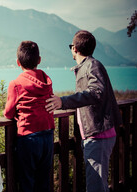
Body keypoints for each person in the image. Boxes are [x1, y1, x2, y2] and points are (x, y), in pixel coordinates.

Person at [45, 30, 122, 192]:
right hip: (95, 134)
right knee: (97, 185)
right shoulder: (88, 66)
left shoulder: (92, 66)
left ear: (74, 48)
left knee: (96, 187)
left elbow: (96, 93)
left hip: (98, 135)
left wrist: (63, 101)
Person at [4, 41, 55, 192]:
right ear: (39, 60)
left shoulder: (16, 84)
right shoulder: (47, 81)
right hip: (47, 134)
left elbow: (8, 112)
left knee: (27, 183)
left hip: (28, 137)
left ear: (18, 62)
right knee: (44, 182)